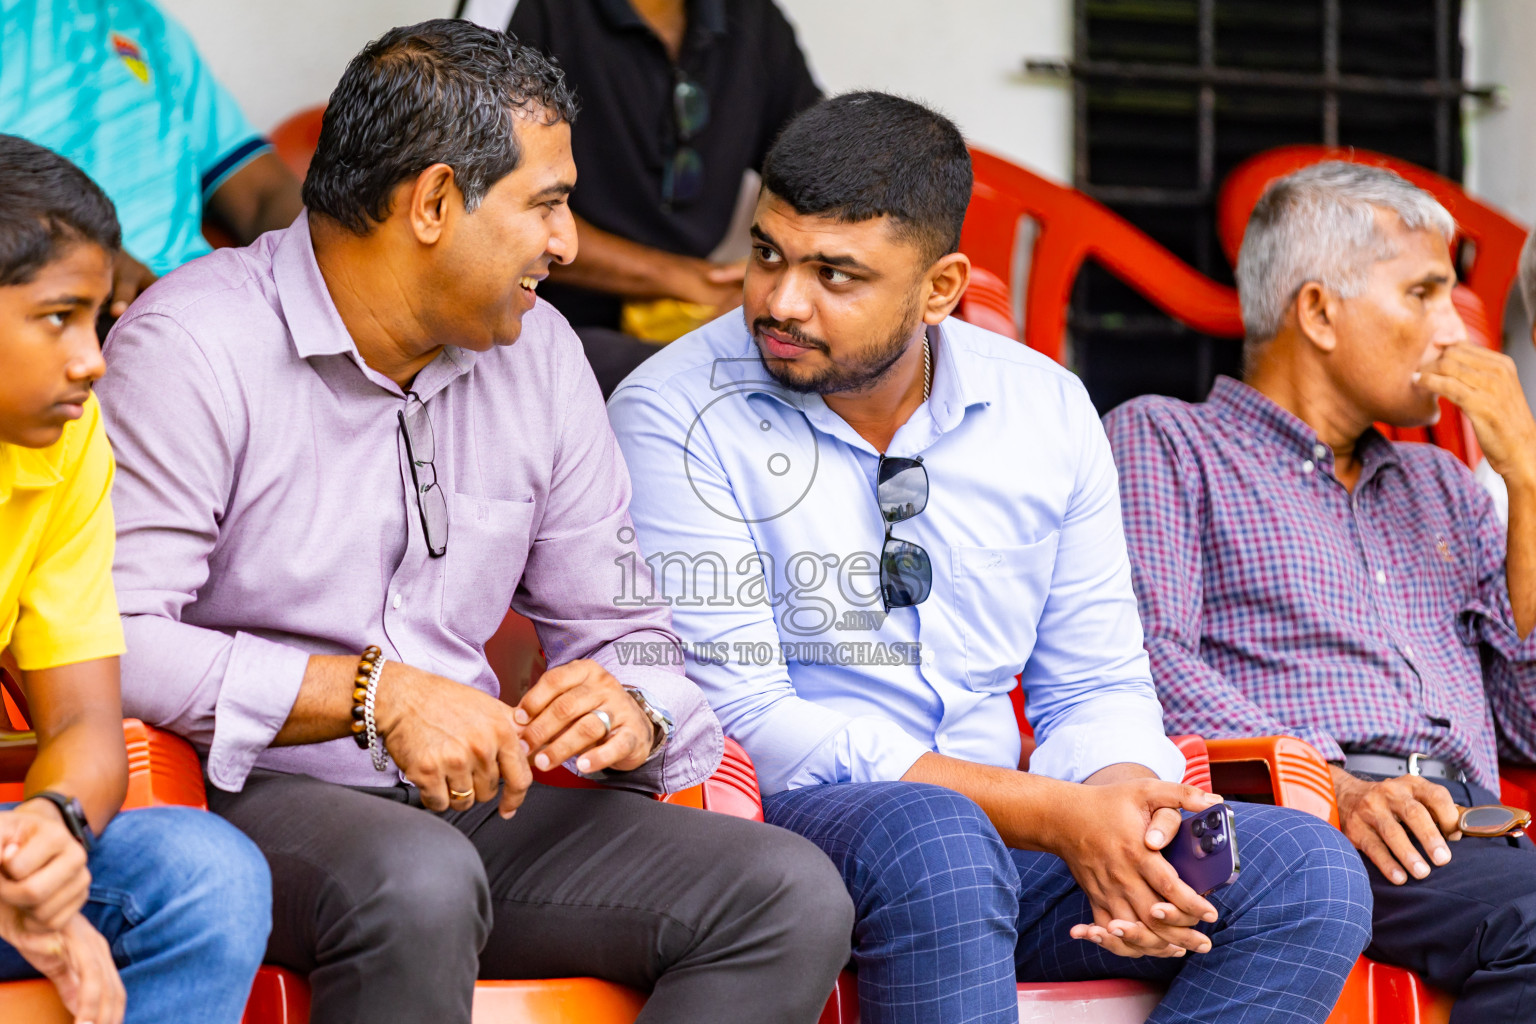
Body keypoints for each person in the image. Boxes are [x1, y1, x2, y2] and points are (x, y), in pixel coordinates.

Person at [96, 21, 853, 1024]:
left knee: (785, 894)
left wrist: (630, 710)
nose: (569, 243)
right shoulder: (193, 345)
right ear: (436, 202)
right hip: (246, 791)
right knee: (415, 876)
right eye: (547, 203)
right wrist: (373, 695)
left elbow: (632, 636)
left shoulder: (538, 353)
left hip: (472, 807)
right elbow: (113, 640)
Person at [608, 92, 1372, 1024]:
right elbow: (748, 718)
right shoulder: (674, 413)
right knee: (937, 837)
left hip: (1007, 837)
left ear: (941, 288)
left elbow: (1094, 683)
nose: (781, 301)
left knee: (1308, 874)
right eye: (768, 253)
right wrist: (1048, 814)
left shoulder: (1044, 409)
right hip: (794, 838)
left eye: (835, 275)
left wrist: (1125, 811)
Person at [1105, 161, 1536, 1021]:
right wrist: (1331, 783)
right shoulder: (1169, 440)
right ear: (1317, 311)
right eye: (1424, 293)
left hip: (1467, 831)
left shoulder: (1445, 484)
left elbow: (1528, 720)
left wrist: (1525, 480)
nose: (1455, 330)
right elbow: (1146, 662)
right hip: (1294, 829)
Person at [0, 134, 270, 1024]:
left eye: (99, 317)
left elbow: (82, 718)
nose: (94, 359)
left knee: (205, 874)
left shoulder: (71, 442)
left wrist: (55, 834)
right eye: (57, 317)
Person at [467, 0, 819, 395]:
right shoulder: (520, 11)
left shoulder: (756, 20)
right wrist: (684, 280)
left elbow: (823, 174)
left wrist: (775, 280)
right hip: (534, 317)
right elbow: (484, 204)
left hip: (690, 315)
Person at [0, 0, 302, 321]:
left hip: (209, 314)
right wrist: (78, 255)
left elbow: (261, 193)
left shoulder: (141, 19)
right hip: (85, 326)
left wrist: (328, 249)